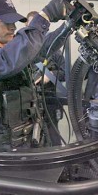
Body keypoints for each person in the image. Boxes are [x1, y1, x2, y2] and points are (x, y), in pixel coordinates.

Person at [0, 0, 79, 195]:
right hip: (0, 158)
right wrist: (45, 15)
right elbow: (4, 63)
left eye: (14, 22)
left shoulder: (13, 53)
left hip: (29, 146)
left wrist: (69, 25)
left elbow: (43, 47)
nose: (12, 27)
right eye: (6, 22)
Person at [27, 10, 66, 146]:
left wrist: (50, 76)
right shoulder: (19, 50)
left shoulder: (53, 49)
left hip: (49, 102)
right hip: (27, 107)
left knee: (53, 138)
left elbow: (65, 72)